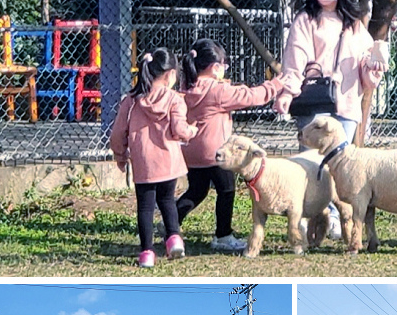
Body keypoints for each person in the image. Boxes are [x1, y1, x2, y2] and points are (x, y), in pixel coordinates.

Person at [274, 0, 387, 238]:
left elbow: (364, 66)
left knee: (340, 167)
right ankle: (303, 215)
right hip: (313, 101)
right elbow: (294, 60)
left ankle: (335, 218)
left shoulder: (355, 25)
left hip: (346, 104)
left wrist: (373, 68)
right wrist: (288, 92)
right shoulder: (305, 19)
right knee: (310, 163)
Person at [178, 38, 287, 252]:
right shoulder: (218, 91)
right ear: (215, 67)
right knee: (226, 189)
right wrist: (276, 84)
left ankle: (171, 220)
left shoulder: (187, 87)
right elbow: (250, 96)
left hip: (191, 151)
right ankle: (223, 234)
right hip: (217, 152)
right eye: (223, 65)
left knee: (197, 190)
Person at [110, 49, 198, 267]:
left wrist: (120, 155)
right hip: (169, 162)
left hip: (143, 165)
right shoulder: (174, 100)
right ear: (169, 75)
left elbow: (117, 134)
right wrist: (191, 132)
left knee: (145, 208)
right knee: (167, 200)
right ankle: (174, 238)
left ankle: (147, 253)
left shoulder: (130, 102)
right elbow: (179, 129)